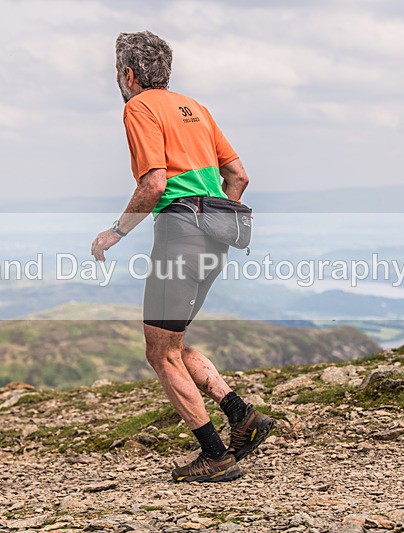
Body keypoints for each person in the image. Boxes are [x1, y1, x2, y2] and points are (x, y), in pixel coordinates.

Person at [91, 30, 274, 483]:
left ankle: (214, 456)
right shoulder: (196, 108)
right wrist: (216, 218)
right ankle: (243, 418)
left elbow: (153, 183)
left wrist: (115, 232)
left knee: (159, 352)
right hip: (215, 237)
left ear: (128, 74)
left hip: (179, 235)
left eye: (118, 72)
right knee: (171, 340)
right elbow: (239, 176)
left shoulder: (139, 107)